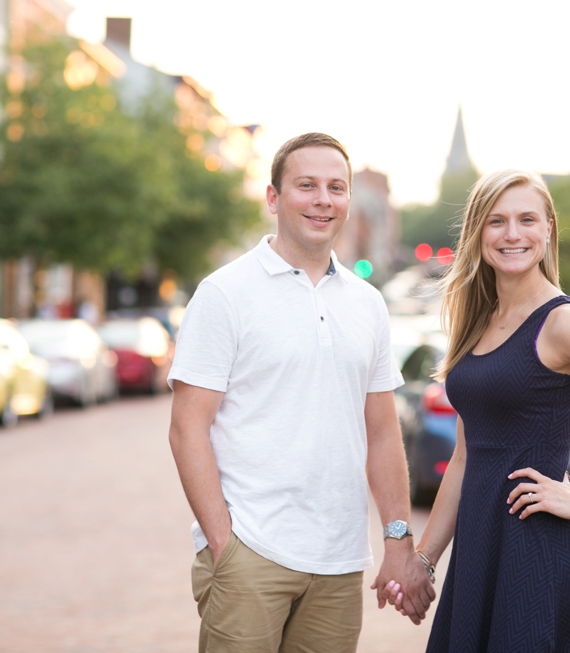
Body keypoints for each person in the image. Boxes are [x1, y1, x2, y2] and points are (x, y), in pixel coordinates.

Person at [383, 170, 570, 651]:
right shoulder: (479, 322)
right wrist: (424, 559)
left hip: (535, 547)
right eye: (496, 221)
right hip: (481, 548)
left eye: (527, 219)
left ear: (548, 229)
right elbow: (465, 456)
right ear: (478, 233)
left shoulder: (564, 321)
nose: (512, 234)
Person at [168, 132, 435, 653]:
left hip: (338, 561)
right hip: (251, 551)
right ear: (273, 198)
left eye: (336, 188)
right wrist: (224, 544)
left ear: (348, 202)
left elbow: (382, 432)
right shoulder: (225, 293)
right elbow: (186, 428)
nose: (322, 199)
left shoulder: (368, 304)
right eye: (306, 185)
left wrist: (397, 537)